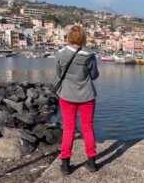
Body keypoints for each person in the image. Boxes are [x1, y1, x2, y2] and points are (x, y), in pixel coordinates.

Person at [55, 26, 99, 175]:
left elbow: (58, 74)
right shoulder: (89, 55)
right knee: (87, 127)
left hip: (67, 95)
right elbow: (94, 75)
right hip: (87, 96)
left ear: (69, 37)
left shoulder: (61, 54)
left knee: (69, 129)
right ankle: (92, 162)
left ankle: (66, 165)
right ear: (83, 38)